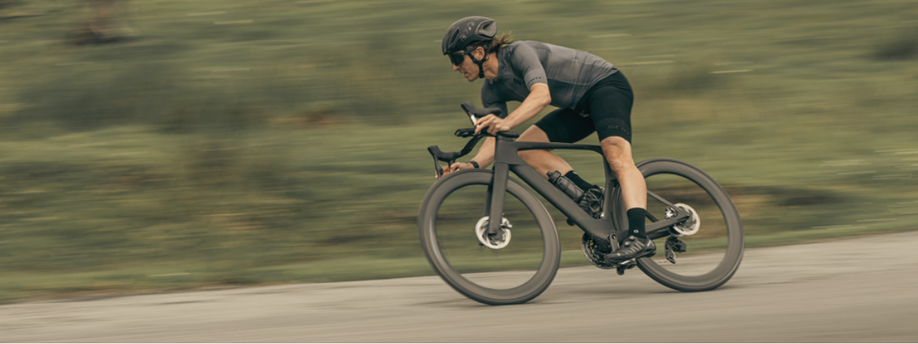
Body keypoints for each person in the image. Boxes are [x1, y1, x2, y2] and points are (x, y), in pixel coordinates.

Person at [439, 16, 653, 264]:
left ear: (477, 51)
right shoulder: (490, 90)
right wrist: (472, 165)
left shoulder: (519, 53)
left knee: (616, 155)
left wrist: (507, 122)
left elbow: (541, 95)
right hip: (577, 107)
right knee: (523, 150)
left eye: (456, 58)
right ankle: (590, 196)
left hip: (605, 86)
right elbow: (496, 138)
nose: (455, 67)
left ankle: (639, 236)